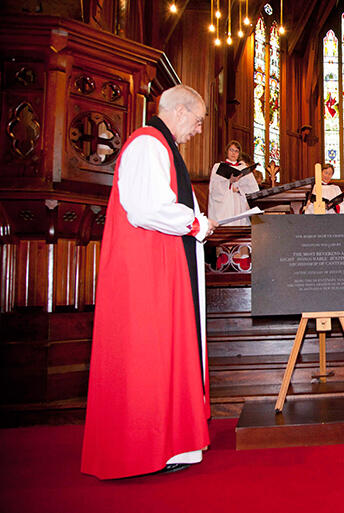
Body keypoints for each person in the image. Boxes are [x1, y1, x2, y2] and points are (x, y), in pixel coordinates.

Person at [81, 85, 216, 479]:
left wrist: (196, 220)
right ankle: (145, 447)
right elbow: (146, 208)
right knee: (149, 353)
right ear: (177, 112)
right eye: (197, 120)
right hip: (148, 268)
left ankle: (171, 443)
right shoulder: (147, 144)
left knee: (167, 351)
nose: (197, 129)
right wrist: (194, 223)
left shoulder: (161, 146)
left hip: (163, 261)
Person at [207, 140, 259, 226]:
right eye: (231, 150)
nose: (233, 153)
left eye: (236, 151)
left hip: (239, 201)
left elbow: (253, 188)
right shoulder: (218, 166)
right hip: (225, 203)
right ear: (227, 151)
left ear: (239, 154)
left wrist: (239, 189)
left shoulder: (243, 167)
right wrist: (229, 183)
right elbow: (214, 187)